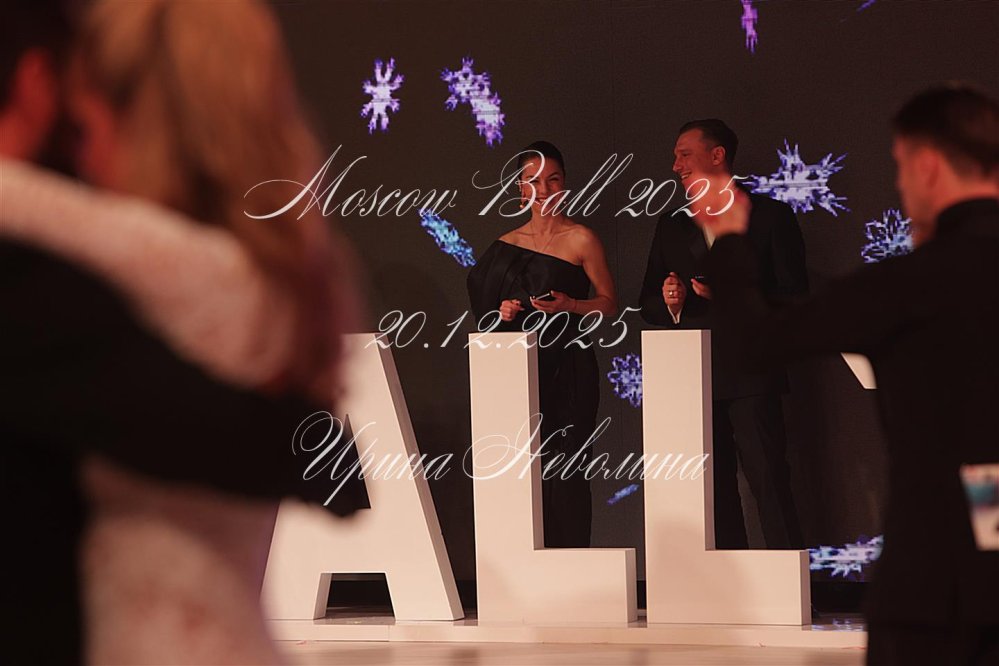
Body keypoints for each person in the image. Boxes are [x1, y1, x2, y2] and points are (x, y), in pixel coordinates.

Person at [0, 1, 365, 664]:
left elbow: (42, 210)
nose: (79, 160)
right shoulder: (275, 276)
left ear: (141, 124)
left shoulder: (177, 268)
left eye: (84, 130)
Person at [700, 84, 999, 665]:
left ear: (928, 167)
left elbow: (755, 343)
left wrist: (730, 240)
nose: (901, 186)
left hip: (931, 589)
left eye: (900, 167)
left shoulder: (907, 285)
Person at [639, 119, 807, 550]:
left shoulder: (770, 216)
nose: (675, 166)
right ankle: (731, 580)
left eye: (684, 155)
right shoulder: (672, 225)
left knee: (769, 480)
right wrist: (672, 301)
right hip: (693, 378)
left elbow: (795, 298)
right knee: (712, 489)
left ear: (717, 156)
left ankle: (788, 580)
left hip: (753, 373)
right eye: (675, 157)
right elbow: (648, 303)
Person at [467, 141, 618, 548]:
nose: (544, 189)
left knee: (568, 467)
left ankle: (570, 563)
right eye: (533, 181)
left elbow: (609, 303)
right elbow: (485, 319)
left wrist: (571, 305)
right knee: (523, 468)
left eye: (553, 179)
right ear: (520, 188)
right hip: (520, 373)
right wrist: (503, 312)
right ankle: (527, 565)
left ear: (564, 184)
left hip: (569, 367)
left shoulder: (581, 238)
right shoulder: (504, 246)